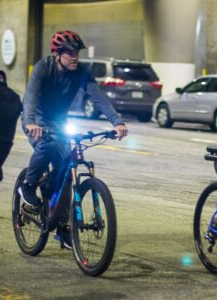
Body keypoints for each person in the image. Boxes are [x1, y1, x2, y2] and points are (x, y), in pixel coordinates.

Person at [19, 30, 128, 249]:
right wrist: (31, 122)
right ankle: (28, 185)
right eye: (69, 53)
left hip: (59, 122)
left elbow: (99, 97)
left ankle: (63, 227)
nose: (74, 57)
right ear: (57, 54)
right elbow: (30, 96)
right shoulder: (43, 67)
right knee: (47, 145)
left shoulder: (82, 72)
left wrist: (116, 121)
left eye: (76, 52)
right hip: (37, 120)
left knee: (68, 172)